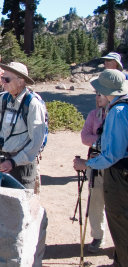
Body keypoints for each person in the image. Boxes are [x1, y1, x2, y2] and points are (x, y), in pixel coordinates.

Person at [73, 69, 128, 266]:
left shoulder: (118, 112)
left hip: (120, 176)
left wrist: (86, 163)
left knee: (119, 218)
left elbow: (112, 155)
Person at [0, 62, 46, 189]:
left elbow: (37, 141)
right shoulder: (3, 99)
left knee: (21, 206)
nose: (2, 81)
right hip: (3, 162)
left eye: (7, 79)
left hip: (22, 167)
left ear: (21, 81)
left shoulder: (33, 104)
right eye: (2, 78)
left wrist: (14, 162)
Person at [80, 93, 109, 253]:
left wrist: (97, 139)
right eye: (97, 94)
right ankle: (98, 236)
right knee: (95, 202)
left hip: (115, 166)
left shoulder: (120, 114)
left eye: (101, 95)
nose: (97, 98)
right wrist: (102, 141)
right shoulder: (93, 114)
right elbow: (84, 137)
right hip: (95, 163)